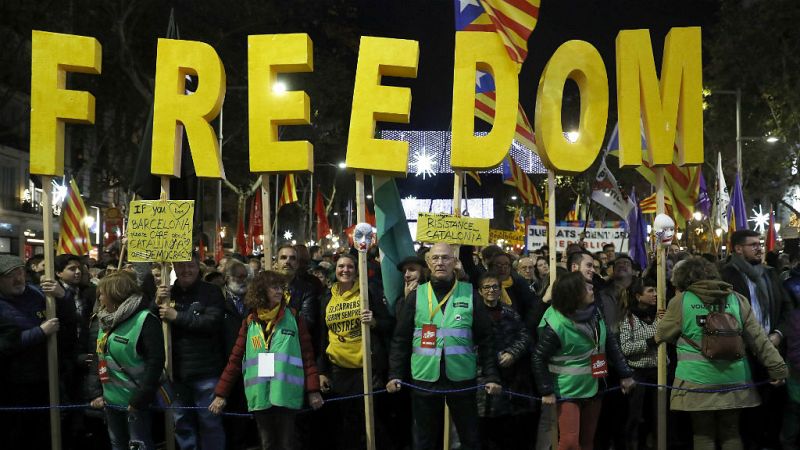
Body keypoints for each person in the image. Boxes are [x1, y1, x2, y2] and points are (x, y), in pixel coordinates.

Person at [656, 256, 787, 450]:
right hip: (734, 379)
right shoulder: (736, 299)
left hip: (695, 379)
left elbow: (663, 334)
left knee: (703, 434)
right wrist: (778, 369)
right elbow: (759, 339)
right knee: (731, 432)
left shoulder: (681, 301)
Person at [387, 242, 502, 450]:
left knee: (470, 439)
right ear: (429, 263)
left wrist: (491, 375)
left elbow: (486, 338)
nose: (440, 262)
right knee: (424, 441)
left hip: (461, 379)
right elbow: (400, 340)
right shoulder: (416, 296)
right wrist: (394, 374)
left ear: (454, 262)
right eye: (436, 258)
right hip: (424, 378)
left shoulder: (469, 294)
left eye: (445, 258)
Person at [209, 271, 323, 449]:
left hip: (286, 394)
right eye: (275, 287)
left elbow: (308, 356)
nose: (280, 291)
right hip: (260, 395)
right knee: (267, 444)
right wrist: (221, 394)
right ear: (262, 291)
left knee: (287, 445)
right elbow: (235, 360)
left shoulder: (293, 317)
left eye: (281, 287)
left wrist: (313, 390)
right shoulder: (249, 321)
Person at [532, 271, 635, 450]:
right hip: (567, 391)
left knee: (588, 442)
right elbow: (538, 357)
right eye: (586, 286)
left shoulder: (595, 313)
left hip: (595, 386)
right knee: (569, 443)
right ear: (574, 294)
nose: (592, 288)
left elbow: (610, 344)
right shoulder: (556, 323)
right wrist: (546, 390)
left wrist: (625, 374)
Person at [720, 230, 794, 449]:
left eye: (760, 244)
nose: (759, 248)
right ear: (738, 249)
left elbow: (786, 309)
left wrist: (778, 334)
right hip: (741, 352)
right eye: (752, 245)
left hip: (771, 347)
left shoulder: (770, 274)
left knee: (773, 404)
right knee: (746, 408)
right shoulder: (725, 276)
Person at [0, 254, 77, 450]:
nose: (19, 279)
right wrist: (40, 332)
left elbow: (69, 322)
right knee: (18, 433)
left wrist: (63, 297)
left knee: (48, 432)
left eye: (21, 273)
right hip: (14, 384)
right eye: (11, 276)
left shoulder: (36, 293)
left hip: (48, 375)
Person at [318, 253, 393, 449]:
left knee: (372, 420)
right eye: (341, 266)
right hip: (339, 369)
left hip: (367, 367)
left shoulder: (368, 292)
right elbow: (322, 336)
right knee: (347, 423)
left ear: (356, 270)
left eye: (350, 266)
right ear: (335, 270)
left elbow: (389, 323)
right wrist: (322, 371)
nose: (345, 270)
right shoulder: (327, 296)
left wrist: (375, 322)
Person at [156, 254, 227, 450]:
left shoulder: (211, 292)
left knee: (210, 423)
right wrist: (156, 303)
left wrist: (177, 316)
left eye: (191, 266)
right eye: (181, 266)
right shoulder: (168, 294)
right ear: (173, 268)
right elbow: (153, 326)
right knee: (182, 424)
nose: (186, 270)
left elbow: (212, 323)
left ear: (199, 267)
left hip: (206, 371)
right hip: (176, 373)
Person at [87, 272, 165, 450]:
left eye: (102, 293)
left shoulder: (145, 320)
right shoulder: (104, 320)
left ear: (116, 294)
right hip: (110, 401)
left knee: (139, 445)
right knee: (118, 445)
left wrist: (140, 399)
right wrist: (95, 393)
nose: (99, 298)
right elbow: (98, 359)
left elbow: (155, 362)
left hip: (136, 404)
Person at [475, 271, 534, 449]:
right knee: (484, 430)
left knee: (507, 432)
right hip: (483, 377)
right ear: (480, 291)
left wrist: (512, 353)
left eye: (495, 287)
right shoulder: (473, 315)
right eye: (487, 287)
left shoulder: (510, 313)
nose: (491, 290)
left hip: (510, 378)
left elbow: (525, 337)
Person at [619, 277, 661, 450]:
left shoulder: (660, 314)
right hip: (638, 373)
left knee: (657, 415)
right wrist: (651, 341)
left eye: (655, 290)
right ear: (637, 296)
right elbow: (626, 347)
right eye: (650, 291)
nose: (655, 294)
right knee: (635, 416)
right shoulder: (628, 317)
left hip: (659, 371)